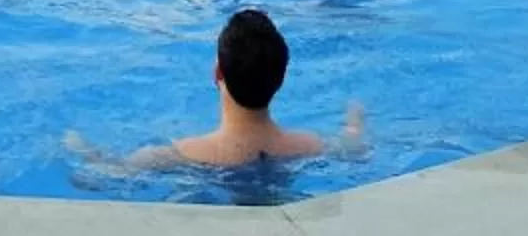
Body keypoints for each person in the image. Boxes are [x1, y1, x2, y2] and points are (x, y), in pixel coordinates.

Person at [118, 9, 363, 169]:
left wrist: (80, 145)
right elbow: (354, 147)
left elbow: (105, 175)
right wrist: (355, 122)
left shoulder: (179, 156)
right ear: (281, 78)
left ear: (217, 74)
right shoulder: (310, 147)